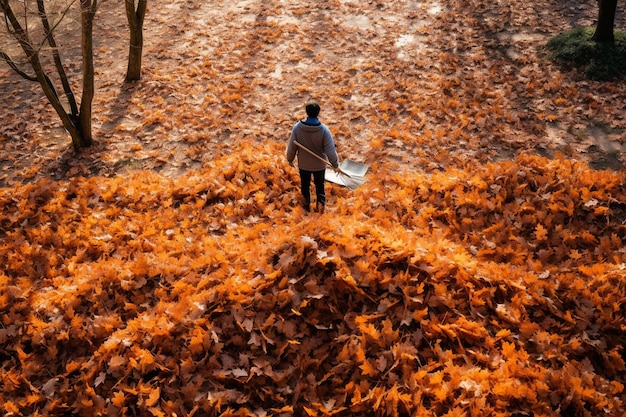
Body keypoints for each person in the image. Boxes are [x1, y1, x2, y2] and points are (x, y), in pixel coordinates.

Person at [286, 102, 339, 213]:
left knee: (305, 186)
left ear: (307, 112)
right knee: (320, 186)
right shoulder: (324, 130)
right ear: (318, 113)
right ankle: (320, 209)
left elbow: (292, 146)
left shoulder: (297, 128)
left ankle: (306, 209)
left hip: (303, 165)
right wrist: (335, 164)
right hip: (319, 165)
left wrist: (290, 159)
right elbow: (330, 150)